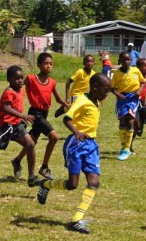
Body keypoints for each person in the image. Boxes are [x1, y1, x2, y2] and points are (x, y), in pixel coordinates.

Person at [36, 73, 111, 234]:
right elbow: (67, 118)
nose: (107, 93)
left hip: (91, 145)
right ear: (95, 87)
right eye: (106, 90)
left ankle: (76, 220)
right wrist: (76, 132)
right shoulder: (82, 100)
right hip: (76, 144)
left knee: (94, 182)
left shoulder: (94, 100)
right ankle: (45, 185)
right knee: (72, 185)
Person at [11, 53, 70, 180]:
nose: (48, 66)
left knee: (32, 141)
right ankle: (44, 167)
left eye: (50, 63)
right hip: (35, 113)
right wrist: (13, 98)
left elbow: (58, 98)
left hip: (44, 113)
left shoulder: (52, 82)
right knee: (54, 137)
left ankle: (17, 160)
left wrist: (66, 104)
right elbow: (18, 87)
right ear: (39, 64)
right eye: (45, 63)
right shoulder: (31, 78)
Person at [111, 51, 145, 161]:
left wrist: (139, 91)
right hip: (122, 99)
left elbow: (143, 82)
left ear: (131, 60)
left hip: (133, 98)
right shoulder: (117, 73)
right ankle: (123, 146)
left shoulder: (135, 70)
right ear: (119, 61)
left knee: (131, 120)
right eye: (124, 60)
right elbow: (112, 88)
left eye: (128, 59)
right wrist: (117, 94)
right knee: (122, 122)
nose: (126, 62)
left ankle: (126, 148)